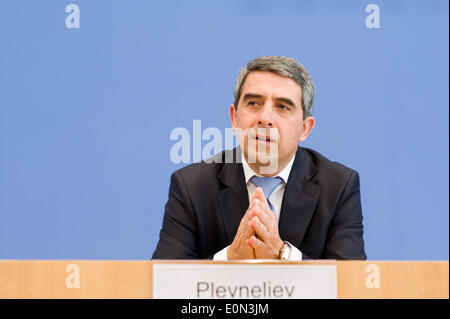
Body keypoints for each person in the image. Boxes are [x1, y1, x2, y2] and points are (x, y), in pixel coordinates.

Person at [152, 56, 366, 260]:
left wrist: (282, 254)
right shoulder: (191, 185)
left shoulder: (338, 187)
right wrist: (230, 258)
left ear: (304, 128)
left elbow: (350, 286)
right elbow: (164, 282)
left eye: (282, 107)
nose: (265, 118)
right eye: (254, 103)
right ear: (234, 117)